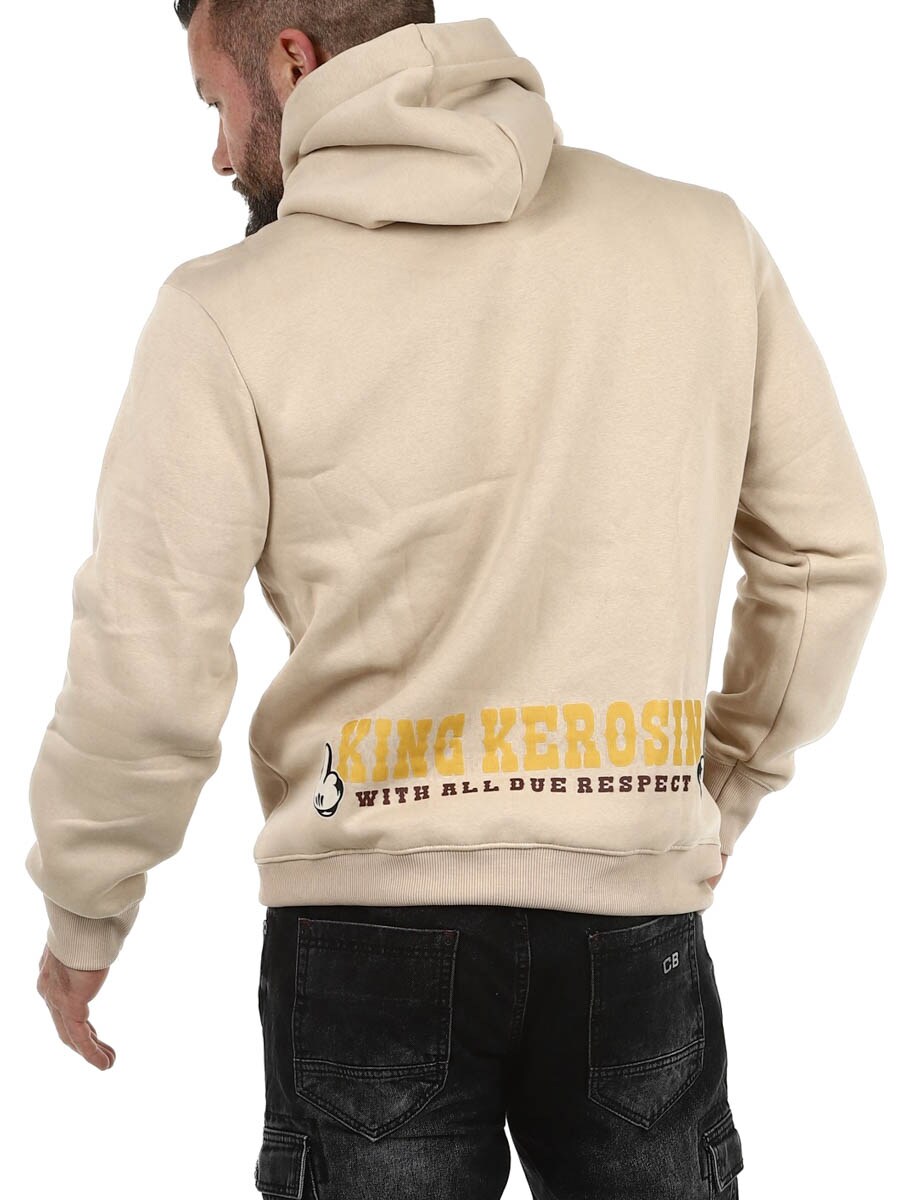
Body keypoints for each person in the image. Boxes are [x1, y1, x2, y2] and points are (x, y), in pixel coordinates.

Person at [26, 4, 887, 1198]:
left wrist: (85, 910)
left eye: (214, 103)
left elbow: (146, 654)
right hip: (631, 913)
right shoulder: (699, 243)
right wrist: (712, 794)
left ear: (292, 59)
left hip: (368, 928)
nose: (219, 154)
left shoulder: (224, 309)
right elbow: (827, 558)